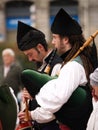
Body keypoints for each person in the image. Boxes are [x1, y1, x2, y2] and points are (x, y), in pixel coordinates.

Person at [18, 8, 96, 130]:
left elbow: (57, 98)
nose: (53, 42)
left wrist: (35, 94)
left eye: (55, 37)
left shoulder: (73, 66)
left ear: (65, 39)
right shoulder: (78, 61)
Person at [16, 21, 62, 130]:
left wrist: (32, 113)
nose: (30, 59)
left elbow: (55, 105)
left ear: (40, 47)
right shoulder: (41, 64)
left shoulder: (57, 65)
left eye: (30, 54)